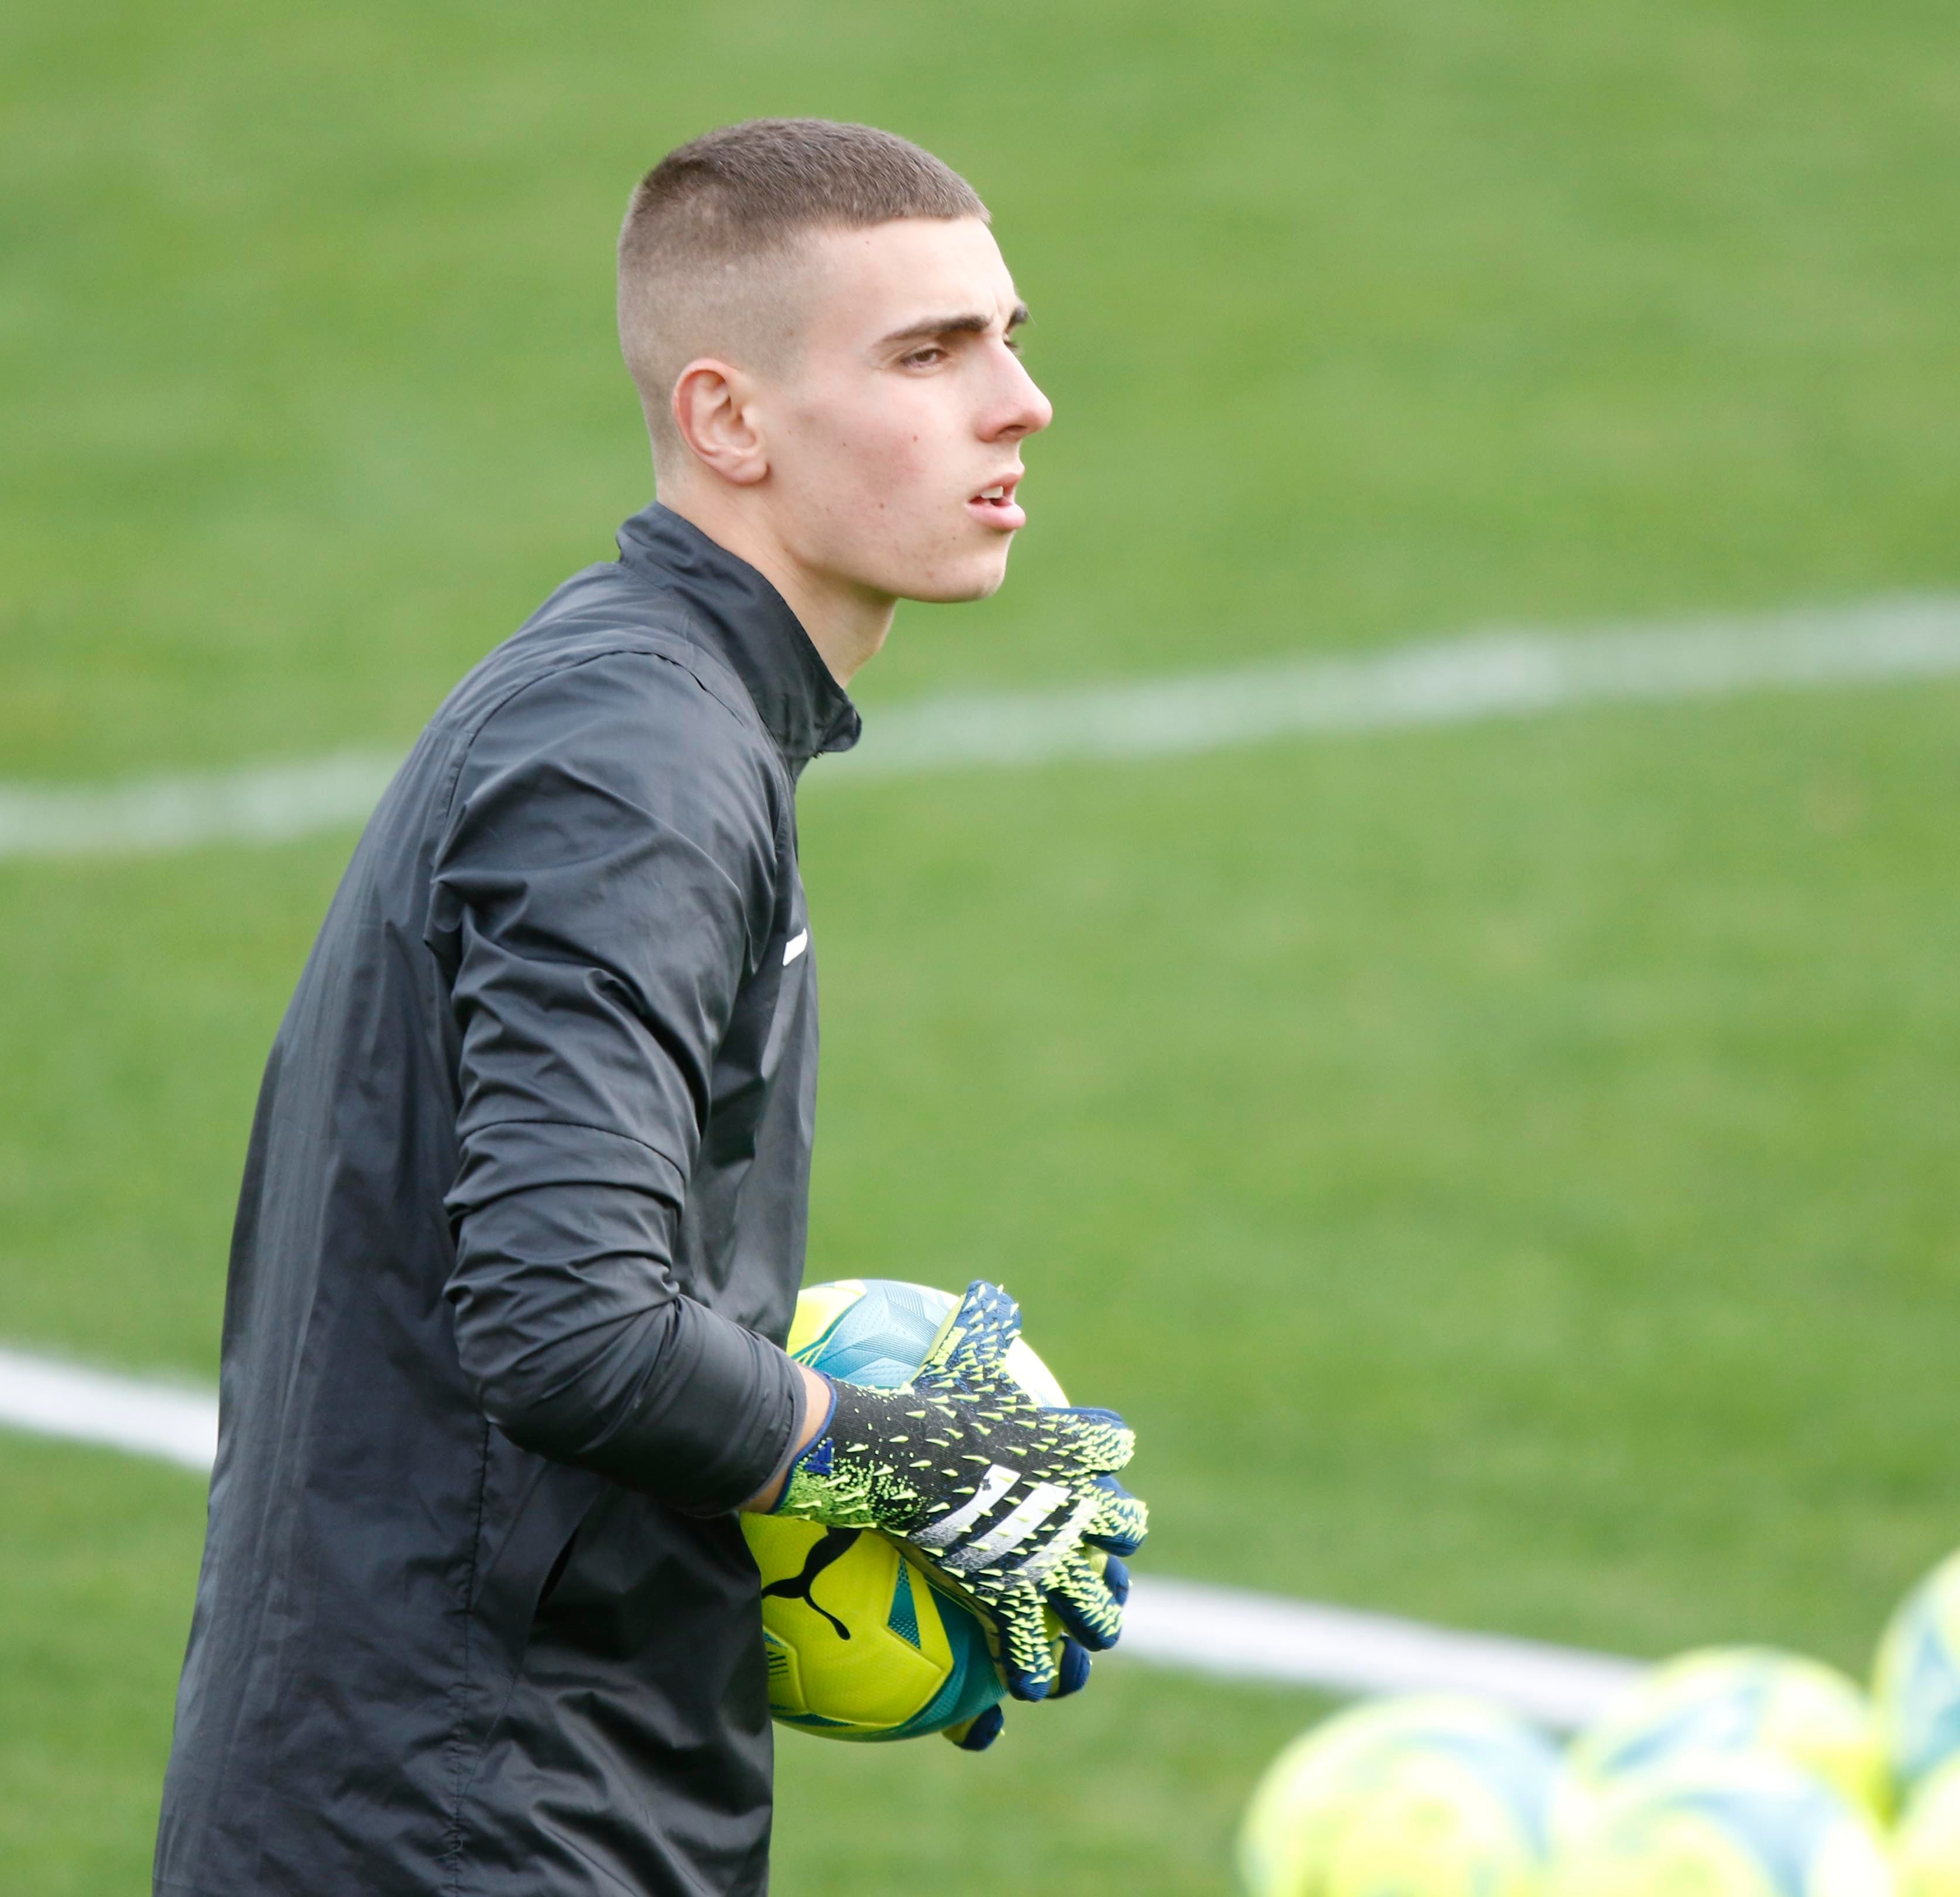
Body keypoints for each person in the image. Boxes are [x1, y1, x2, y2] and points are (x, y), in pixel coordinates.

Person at [154, 119, 1148, 1897]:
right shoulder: (640, 761)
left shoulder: (652, 711)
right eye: (929, 354)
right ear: (728, 420)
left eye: (1008, 334)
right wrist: (901, 1464)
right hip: (465, 1824)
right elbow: (567, 1324)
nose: (1020, 403)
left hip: (479, 1793)